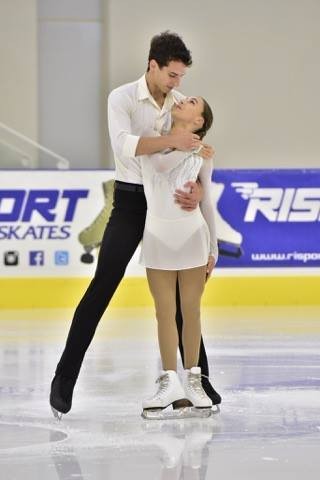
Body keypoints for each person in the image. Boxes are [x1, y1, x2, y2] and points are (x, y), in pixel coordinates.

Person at [50, 31, 221, 418]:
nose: (178, 85)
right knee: (104, 282)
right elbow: (125, 145)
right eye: (172, 75)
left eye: (182, 78)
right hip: (130, 201)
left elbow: (197, 153)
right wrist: (174, 142)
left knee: (183, 300)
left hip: (172, 206)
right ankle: (64, 378)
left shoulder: (180, 106)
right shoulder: (122, 98)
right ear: (153, 65)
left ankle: (199, 381)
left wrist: (195, 188)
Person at [141, 96, 218, 415]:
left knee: (191, 311)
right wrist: (191, 146)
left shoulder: (203, 156)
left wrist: (213, 248)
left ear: (198, 121)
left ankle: (194, 382)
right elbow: (159, 166)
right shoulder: (156, 140)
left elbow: (208, 202)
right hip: (157, 234)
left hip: (192, 235)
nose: (182, 100)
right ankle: (168, 382)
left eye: (192, 102)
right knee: (164, 312)